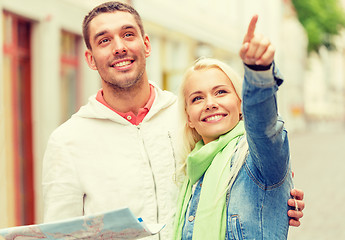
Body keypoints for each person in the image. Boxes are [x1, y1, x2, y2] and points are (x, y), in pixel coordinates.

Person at [42, 2, 304, 239]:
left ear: (146, 45)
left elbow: (258, 142)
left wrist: (274, 196)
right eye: (104, 40)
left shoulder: (189, 114)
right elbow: (61, 234)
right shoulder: (68, 142)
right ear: (90, 58)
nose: (119, 47)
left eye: (128, 34)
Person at [173, 15, 297, 240]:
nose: (210, 103)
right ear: (188, 117)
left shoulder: (257, 157)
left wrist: (258, 72)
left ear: (241, 104)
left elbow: (264, 126)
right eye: (197, 98)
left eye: (221, 92)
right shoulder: (190, 172)